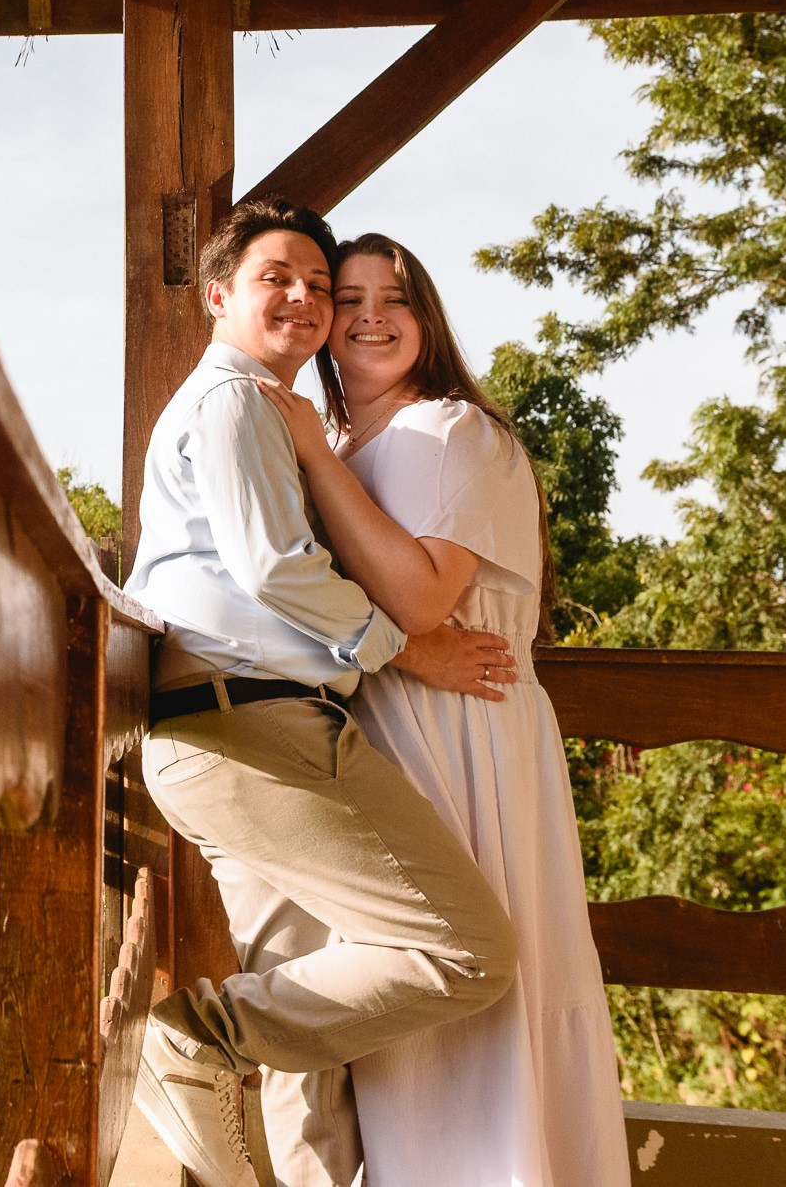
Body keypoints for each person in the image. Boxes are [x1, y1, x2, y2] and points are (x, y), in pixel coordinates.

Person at [124, 197, 522, 1187]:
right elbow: (271, 568)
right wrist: (406, 649)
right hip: (254, 728)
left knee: (308, 1025)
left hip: (216, 735)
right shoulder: (234, 401)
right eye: (277, 278)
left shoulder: (261, 410)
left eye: (316, 283)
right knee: (465, 951)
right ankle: (191, 1036)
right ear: (218, 294)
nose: (303, 298)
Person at [251, 232, 630, 1187]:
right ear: (326, 323)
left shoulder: (456, 430)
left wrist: (308, 447)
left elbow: (422, 599)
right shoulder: (342, 443)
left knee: (482, 985)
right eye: (351, 296)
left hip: (470, 735)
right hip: (385, 729)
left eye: (398, 297)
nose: (372, 315)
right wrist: (314, 446)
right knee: (408, 993)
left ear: (429, 319)